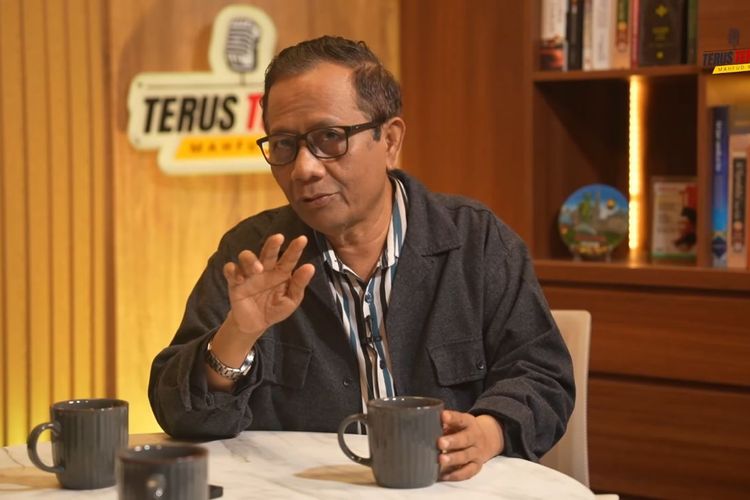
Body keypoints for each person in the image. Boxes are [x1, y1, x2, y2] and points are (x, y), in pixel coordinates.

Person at [149, 35, 574, 481]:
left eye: (330, 137)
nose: (304, 169)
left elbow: (544, 377)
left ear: (389, 140)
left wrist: (489, 431)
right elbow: (178, 415)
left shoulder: (476, 242)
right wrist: (238, 335)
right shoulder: (254, 253)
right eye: (284, 144)